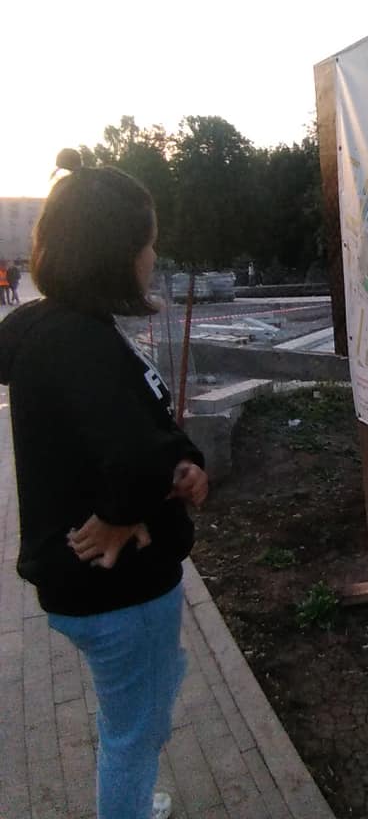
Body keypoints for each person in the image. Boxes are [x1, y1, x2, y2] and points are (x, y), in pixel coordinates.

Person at [0, 148, 209, 819]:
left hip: (83, 589)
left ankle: (130, 798)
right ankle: (128, 806)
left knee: (131, 714)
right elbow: (132, 453)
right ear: (115, 252)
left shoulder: (44, 327)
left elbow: (132, 430)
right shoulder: (81, 344)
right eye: (147, 242)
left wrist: (179, 460)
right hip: (122, 592)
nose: (153, 255)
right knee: (135, 734)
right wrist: (126, 511)